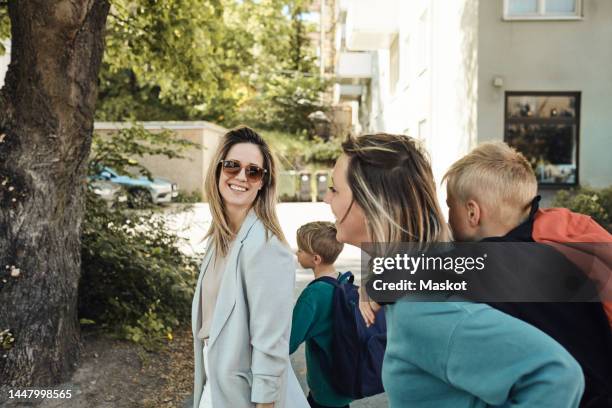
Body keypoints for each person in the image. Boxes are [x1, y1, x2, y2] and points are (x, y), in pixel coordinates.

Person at [325, 133, 585, 407]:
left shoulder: (424, 305)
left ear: (372, 204)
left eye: (335, 189)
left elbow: (556, 375)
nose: (325, 198)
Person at [443, 141, 612, 406]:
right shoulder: (555, 231)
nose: (447, 218)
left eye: (450, 206)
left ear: (473, 212)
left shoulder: (506, 261)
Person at [191, 126, 306, 408]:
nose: (241, 176)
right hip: (216, 386)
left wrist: (264, 404)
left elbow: (271, 344)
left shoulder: (266, 247)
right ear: (218, 171)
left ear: (263, 182)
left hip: (250, 396)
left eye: (253, 171)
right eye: (232, 166)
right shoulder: (220, 239)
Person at [290, 221, 353, 408]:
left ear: (315, 259)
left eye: (301, 250)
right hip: (344, 385)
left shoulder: (314, 295)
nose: (296, 253)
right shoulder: (345, 283)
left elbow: (288, 343)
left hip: (324, 392)